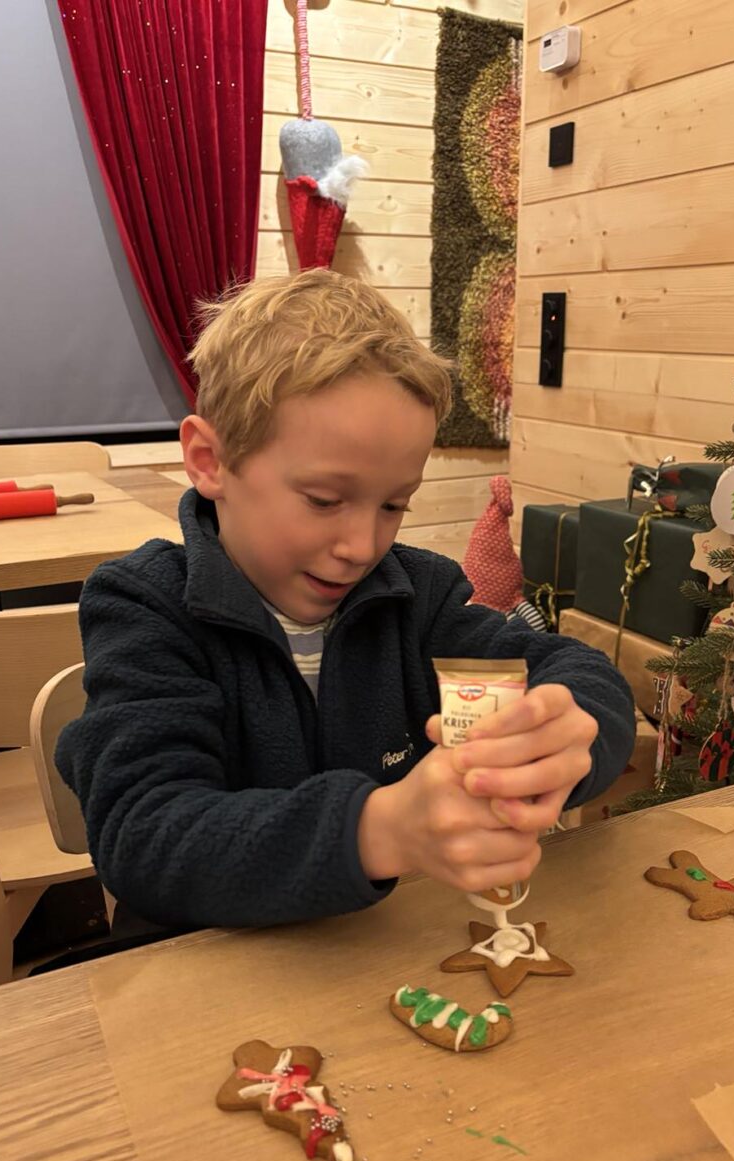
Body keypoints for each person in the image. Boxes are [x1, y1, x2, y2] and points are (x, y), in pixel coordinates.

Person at [56, 270, 635, 935]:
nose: (363, 545)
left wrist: (562, 737)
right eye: (325, 500)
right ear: (210, 460)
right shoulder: (146, 606)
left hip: (379, 962)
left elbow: (584, 678)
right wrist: (375, 829)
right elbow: (143, 837)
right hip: (205, 987)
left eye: (394, 504)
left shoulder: (417, 599)